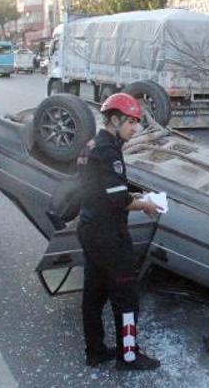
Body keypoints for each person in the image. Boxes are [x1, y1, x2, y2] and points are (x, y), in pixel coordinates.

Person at [78, 93, 161, 371]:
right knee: (126, 297)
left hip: (90, 230)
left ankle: (96, 351)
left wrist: (132, 194)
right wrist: (146, 204)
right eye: (130, 122)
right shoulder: (109, 150)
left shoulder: (93, 145)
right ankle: (128, 356)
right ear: (114, 119)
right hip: (109, 235)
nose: (135, 128)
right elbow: (118, 199)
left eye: (136, 123)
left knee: (94, 294)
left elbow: (103, 189)